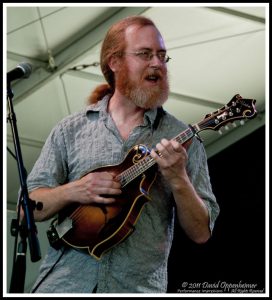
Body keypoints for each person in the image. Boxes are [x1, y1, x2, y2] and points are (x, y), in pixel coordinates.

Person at [27, 15, 220, 293]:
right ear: (114, 62)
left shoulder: (183, 139)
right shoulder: (71, 129)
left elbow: (202, 232)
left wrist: (179, 178)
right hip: (64, 285)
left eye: (162, 56)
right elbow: (28, 210)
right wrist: (75, 190)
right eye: (145, 54)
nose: (157, 63)